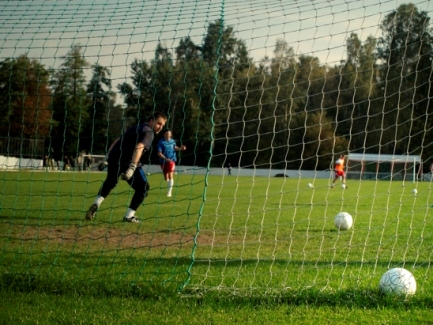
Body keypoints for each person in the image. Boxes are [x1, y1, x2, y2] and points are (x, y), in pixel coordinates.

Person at [85, 111, 168, 223]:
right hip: (128, 161)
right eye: (159, 123)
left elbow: (118, 140)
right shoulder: (149, 132)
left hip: (114, 157)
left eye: (162, 125)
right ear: (151, 121)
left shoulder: (137, 127)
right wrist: (132, 167)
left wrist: (106, 158)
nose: (160, 127)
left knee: (110, 182)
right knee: (143, 188)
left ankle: (96, 203)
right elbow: (139, 147)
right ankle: (129, 216)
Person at [157, 129, 186, 197]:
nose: (168, 135)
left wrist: (181, 148)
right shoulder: (161, 142)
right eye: (167, 134)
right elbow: (159, 153)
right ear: (164, 134)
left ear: (171, 134)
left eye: (169, 134)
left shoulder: (172, 141)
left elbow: (174, 148)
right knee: (166, 176)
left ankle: (169, 192)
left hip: (172, 160)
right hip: (163, 161)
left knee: (170, 174)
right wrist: (165, 158)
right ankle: (168, 185)